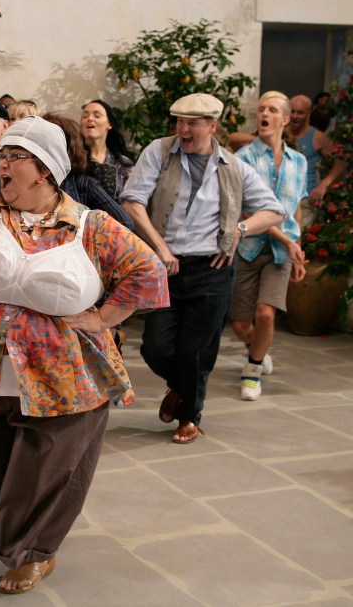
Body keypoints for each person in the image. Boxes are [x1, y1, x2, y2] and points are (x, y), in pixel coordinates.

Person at [0, 116, 168, 594]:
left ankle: (34, 552)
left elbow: (147, 269)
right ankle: (26, 534)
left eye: (15, 156)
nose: (2, 162)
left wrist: (104, 318)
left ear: (45, 170)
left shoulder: (90, 225)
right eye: (2, 156)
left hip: (65, 384)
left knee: (41, 476)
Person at [120, 93, 286, 445]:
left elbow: (273, 211)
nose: (183, 129)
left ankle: (189, 417)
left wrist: (239, 230)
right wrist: (160, 248)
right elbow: (133, 201)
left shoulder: (233, 166)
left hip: (212, 267)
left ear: (212, 126)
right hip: (166, 266)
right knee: (155, 347)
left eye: (192, 122)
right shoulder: (159, 152)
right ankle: (182, 388)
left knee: (196, 349)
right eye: (179, 121)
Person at [230, 91, 307, 400]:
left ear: (285, 119)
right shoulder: (243, 158)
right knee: (239, 324)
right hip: (248, 246)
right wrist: (287, 240)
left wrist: (297, 248)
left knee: (265, 315)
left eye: (272, 109)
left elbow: (296, 208)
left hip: (280, 253)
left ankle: (253, 368)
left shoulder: (298, 162)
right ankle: (257, 346)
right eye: (261, 109)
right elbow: (246, 209)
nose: (265, 113)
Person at [290, 94, 345, 227]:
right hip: (279, 201)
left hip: (304, 202)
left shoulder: (317, 137)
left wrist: (325, 184)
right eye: (292, 111)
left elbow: (341, 161)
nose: (295, 116)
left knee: (295, 243)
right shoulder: (279, 133)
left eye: (300, 113)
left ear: (308, 114)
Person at [80, 98, 135, 200]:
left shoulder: (123, 163)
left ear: (109, 124)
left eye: (97, 115)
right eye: (85, 116)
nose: (90, 119)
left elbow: (131, 201)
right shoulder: (72, 159)